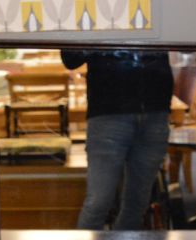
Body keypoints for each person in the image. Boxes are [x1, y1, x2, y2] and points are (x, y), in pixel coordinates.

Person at [62, 49, 173, 230]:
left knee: (137, 204)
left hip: (155, 110)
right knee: (99, 202)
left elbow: (190, 43)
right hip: (109, 110)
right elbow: (70, 57)